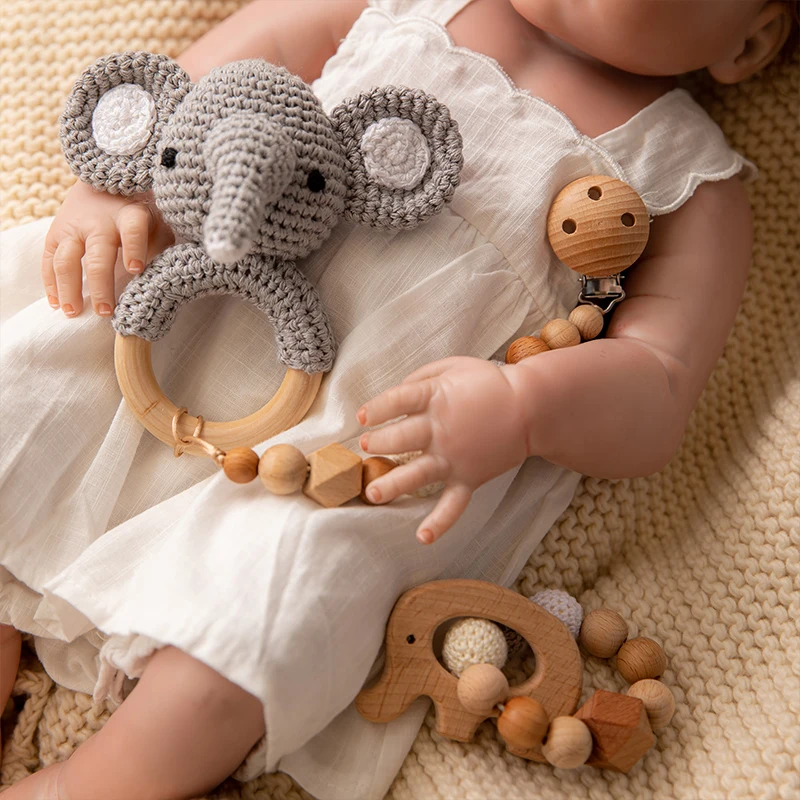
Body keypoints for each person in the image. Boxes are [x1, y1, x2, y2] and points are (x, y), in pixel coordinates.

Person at [0, 1, 795, 798]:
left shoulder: (686, 177)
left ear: (750, 39)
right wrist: (120, 183)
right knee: (30, 400)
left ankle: (83, 786)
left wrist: (526, 406)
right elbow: (242, 61)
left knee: (279, 612)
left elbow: (659, 387)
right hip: (185, 301)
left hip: (363, 453)